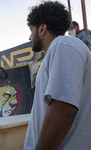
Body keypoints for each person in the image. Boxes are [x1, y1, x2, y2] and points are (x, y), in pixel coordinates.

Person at [24, 1, 91, 150]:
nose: (29, 37)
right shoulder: (60, 49)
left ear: (42, 28)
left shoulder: (63, 45)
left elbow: (64, 109)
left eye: (31, 30)